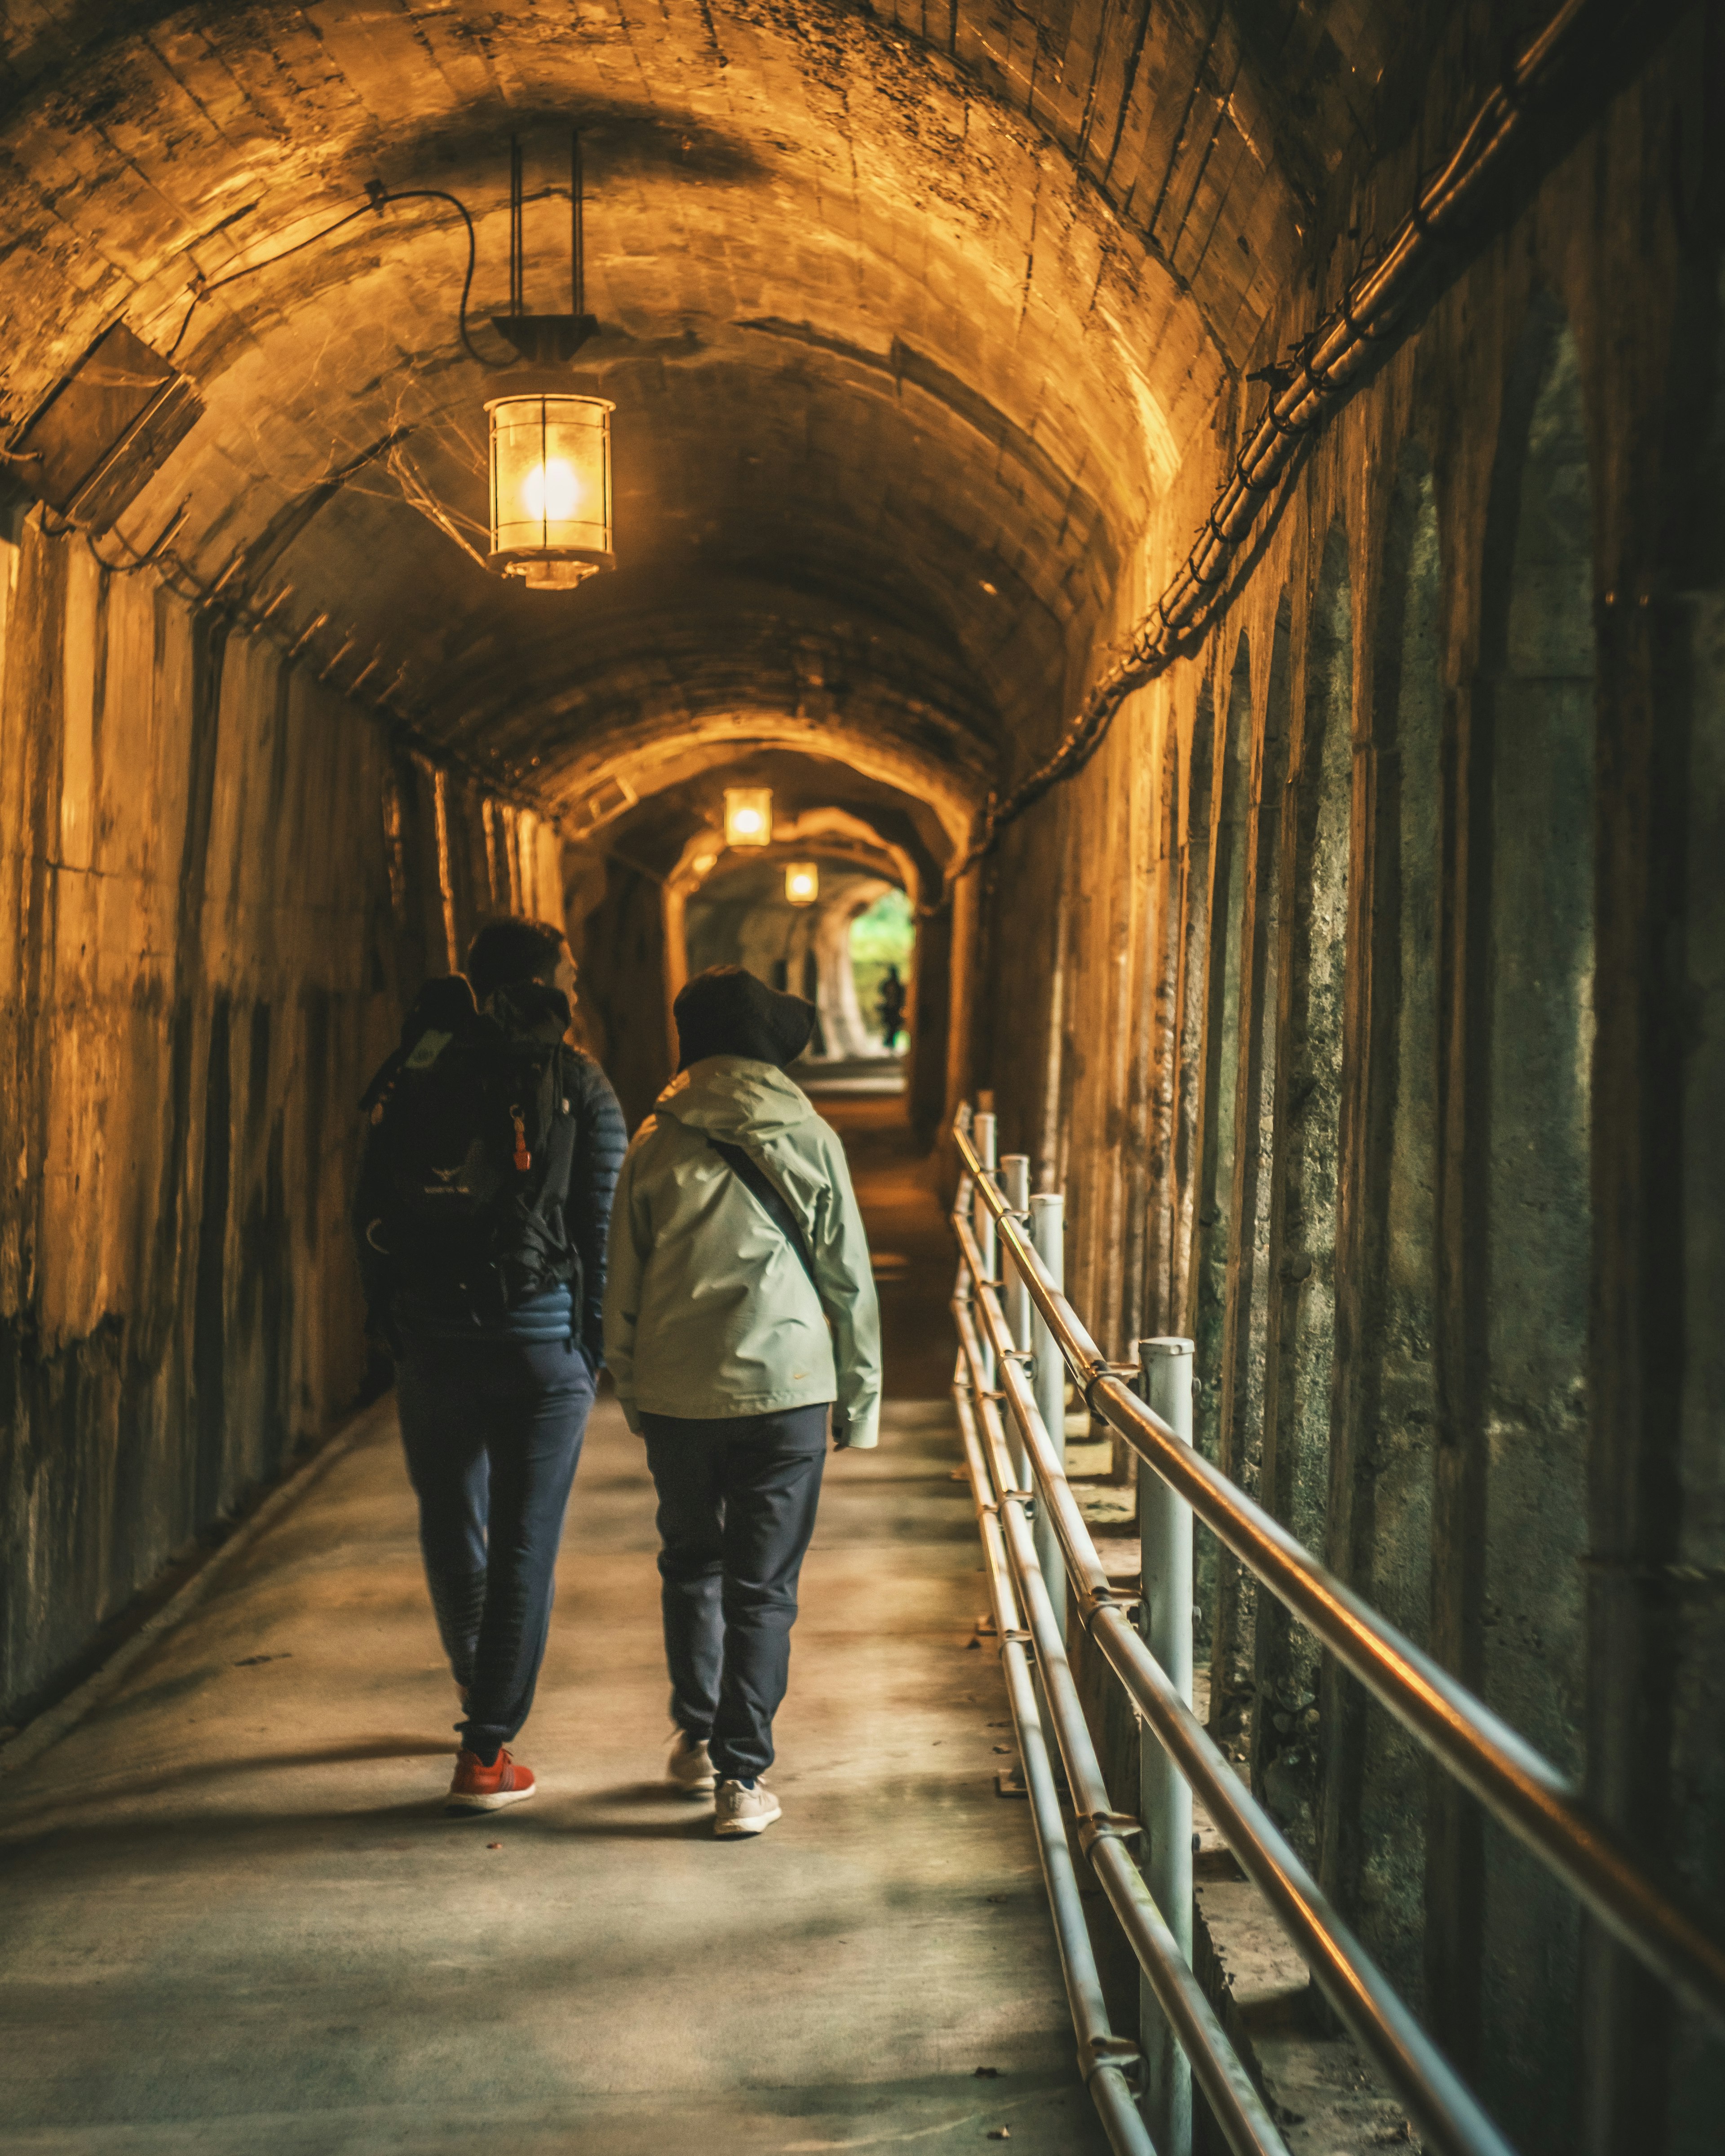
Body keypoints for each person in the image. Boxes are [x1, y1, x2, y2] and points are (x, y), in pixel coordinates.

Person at [353, 916, 625, 1813]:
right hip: (538, 1345)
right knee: (525, 1540)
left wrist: (391, 1320)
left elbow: (369, 1200)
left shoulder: (421, 1066)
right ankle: (487, 1749)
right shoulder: (576, 1082)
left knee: (450, 1516)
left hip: (431, 1337)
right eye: (571, 977)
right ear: (546, 984)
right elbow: (603, 1227)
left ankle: (480, 1682)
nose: (578, 991)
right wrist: (592, 1349)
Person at [603, 965, 881, 1837]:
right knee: (763, 1588)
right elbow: (847, 1276)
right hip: (791, 1389)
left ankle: (695, 1732)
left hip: (683, 1390)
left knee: (692, 1562)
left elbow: (625, 1280)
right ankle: (741, 1777)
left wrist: (633, 1387)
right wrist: (861, 1395)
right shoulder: (811, 1133)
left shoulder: (653, 1137)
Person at [876, 963, 906, 1051]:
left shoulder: (894, 985)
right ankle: (889, 1043)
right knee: (892, 1027)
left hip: (893, 1009)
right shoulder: (896, 985)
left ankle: (889, 1043)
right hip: (892, 1009)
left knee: (893, 1027)